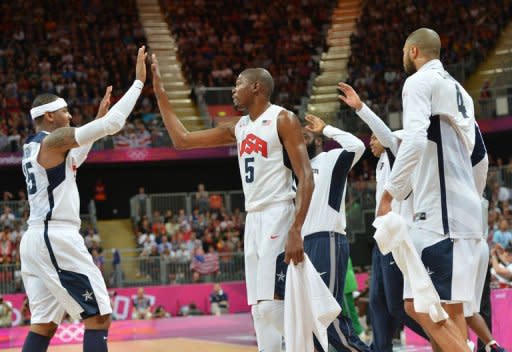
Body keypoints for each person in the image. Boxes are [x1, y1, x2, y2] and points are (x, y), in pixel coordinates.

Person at [152, 55, 314, 352]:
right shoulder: (238, 127)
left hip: (279, 214)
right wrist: (160, 94)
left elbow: (306, 176)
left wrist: (296, 228)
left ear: (256, 87)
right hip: (252, 219)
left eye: (238, 83)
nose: (232, 90)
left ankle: (315, 341)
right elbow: (182, 140)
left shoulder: (283, 119)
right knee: (258, 310)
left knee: (269, 307)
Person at [19, 46, 147, 352]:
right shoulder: (52, 141)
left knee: (44, 325)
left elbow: (75, 158)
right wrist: (139, 83)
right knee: (99, 318)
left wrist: (95, 126)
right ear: (49, 116)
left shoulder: (37, 146)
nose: (71, 116)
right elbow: (114, 125)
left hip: (37, 237)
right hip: (56, 236)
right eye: (65, 111)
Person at [377, 28, 486, 352]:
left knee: (427, 308)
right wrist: (472, 197)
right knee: (431, 308)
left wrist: (389, 194)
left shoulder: (419, 82)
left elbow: (412, 140)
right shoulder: (460, 93)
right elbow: (480, 156)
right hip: (457, 211)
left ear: (413, 51)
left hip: (442, 215)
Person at [338, 82, 428, 351]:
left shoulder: (396, 155)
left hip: (397, 238)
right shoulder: (380, 163)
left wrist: (360, 108)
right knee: (377, 303)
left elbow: (386, 134)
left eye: (373, 138)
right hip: (382, 240)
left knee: (398, 308)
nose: (371, 141)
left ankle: (449, 340)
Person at [268, 114, 369, 351]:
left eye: (306, 135)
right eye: (298, 138)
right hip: (302, 246)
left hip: (327, 239)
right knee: (308, 319)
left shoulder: (330, 159)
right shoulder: (294, 173)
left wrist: (326, 128)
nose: (301, 139)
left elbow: (358, 146)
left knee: (326, 314)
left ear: (318, 142)